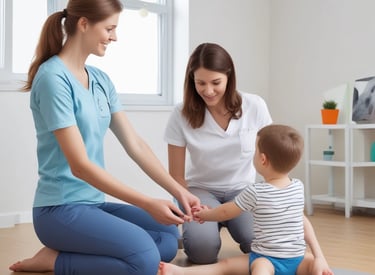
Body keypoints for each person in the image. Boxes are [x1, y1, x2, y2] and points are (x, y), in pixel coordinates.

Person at [8, 1, 200, 275]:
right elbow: (80, 166)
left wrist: (179, 191)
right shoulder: (53, 79)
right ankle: (55, 260)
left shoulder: (100, 79)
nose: (114, 37)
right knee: (145, 259)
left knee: (166, 237)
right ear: (84, 24)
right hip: (59, 210)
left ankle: (76, 253)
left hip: (93, 203)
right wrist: (147, 202)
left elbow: (135, 145)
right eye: (109, 28)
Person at [159, 124, 334, 275]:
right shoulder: (298, 187)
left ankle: (180, 272)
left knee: (226, 267)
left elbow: (226, 211)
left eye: (255, 150)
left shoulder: (256, 192)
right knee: (313, 264)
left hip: (266, 259)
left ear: (263, 159)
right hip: (298, 259)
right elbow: (303, 223)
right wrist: (319, 257)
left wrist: (206, 215)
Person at [164, 42, 273, 264]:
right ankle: (204, 233)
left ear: (229, 77)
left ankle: (227, 225)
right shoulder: (181, 113)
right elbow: (176, 176)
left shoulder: (255, 106)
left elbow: (272, 159)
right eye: (200, 83)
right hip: (200, 192)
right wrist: (188, 204)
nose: (208, 91)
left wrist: (271, 199)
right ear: (191, 80)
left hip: (244, 192)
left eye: (216, 83)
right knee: (202, 251)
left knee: (262, 244)